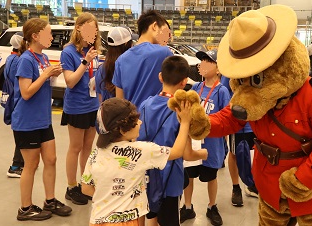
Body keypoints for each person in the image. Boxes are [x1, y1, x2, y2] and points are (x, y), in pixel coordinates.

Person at [81, 97, 192, 226]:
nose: (140, 122)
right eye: (135, 122)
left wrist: (113, 196)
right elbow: (177, 152)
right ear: (123, 130)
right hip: (127, 221)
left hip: (97, 220)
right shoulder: (141, 151)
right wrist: (185, 123)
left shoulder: (96, 152)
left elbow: (86, 188)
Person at [138, 56, 208, 226]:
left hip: (145, 175)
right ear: (184, 82)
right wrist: (203, 154)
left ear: (160, 77)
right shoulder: (183, 112)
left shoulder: (145, 105)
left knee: (150, 214)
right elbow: (186, 154)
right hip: (169, 179)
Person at [12, 18, 71, 221]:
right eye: (48, 33)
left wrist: (52, 74)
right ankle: (25, 208)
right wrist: (46, 74)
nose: (51, 37)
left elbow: (43, 83)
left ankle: (50, 199)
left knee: (51, 160)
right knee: (31, 164)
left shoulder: (43, 57)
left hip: (43, 120)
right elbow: (26, 92)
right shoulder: (26, 59)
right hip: (27, 122)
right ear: (35, 36)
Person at [181, 49, 230, 226]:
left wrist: (223, 145)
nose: (203, 63)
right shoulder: (196, 88)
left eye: (208, 61)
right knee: (189, 175)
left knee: (211, 176)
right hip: (193, 143)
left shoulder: (222, 91)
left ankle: (212, 206)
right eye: (202, 60)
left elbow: (226, 119)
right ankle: (187, 207)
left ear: (218, 68)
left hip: (212, 144)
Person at [60, 12, 101, 205]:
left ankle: (85, 184)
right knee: (75, 147)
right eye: (88, 29)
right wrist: (85, 62)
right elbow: (70, 82)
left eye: (95, 29)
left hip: (92, 104)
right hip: (76, 106)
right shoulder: (69, 52)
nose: (92, 33)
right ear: (78, 28)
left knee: (88, 147)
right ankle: (71, 186)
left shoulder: (94, 50)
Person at [112, 10, 173, 108]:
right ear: (154, 26)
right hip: (155, 119)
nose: (168, 38)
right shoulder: (164, 52)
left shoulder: (121, 60)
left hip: (132, 120)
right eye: (167, 33)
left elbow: (120, 101)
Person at [220, 76, 259, 207]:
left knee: (261, 153)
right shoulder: (232, 70)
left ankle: (254, 185)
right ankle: (236, 187)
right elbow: (226, 91)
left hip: (258, 120)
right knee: (235, 153)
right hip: (238, 123)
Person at [95, 26, 138, 102]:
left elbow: (100, 99)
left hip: (108, 112)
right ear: (126, 44)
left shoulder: (102, 69)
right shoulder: (131, 68)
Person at [5, 32, 24, 178]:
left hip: (13, 100)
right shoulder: (19, 61)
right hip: (18, 102)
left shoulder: (10, 58)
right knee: (21, 135)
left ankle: (21, 162)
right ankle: (15, 166)